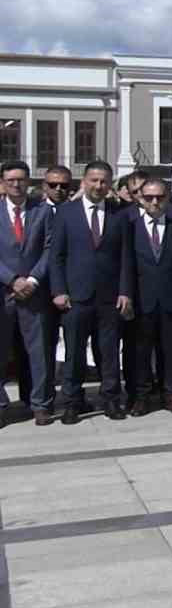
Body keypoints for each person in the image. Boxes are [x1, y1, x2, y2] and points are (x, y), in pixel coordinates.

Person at [48, 160, 133, 423]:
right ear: (84, 181)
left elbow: (126, 257)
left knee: (108, 352)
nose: (99, 186)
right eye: (94, 180)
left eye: (104, 181)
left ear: (109, 184)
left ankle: (110, 399)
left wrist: (125, 291)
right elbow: (56, 256)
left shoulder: (119, 214)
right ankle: (72, 402)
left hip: (109, 298)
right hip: (75, 297)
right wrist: (58, 291)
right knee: (74, 353)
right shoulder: (66, 213)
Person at [128, 178, 172, 416]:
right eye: (148, 197)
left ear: (167, 198)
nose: (154, 202)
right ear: (139, 198)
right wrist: (127, 296)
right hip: (141, 300)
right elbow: (126, 265)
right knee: (141, 352)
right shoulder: (130, 224)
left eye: (159, 197)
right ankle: (142, 396)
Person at [2, 160, 56, 426]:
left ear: (29, 182)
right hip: (4, 291)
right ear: (2, 183)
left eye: (21, 179)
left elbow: (50, 248)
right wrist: (12, 280)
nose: (16, 184)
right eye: (11, 179)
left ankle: (41, 404)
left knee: (39, 352)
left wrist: (32, 280)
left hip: (34, 293)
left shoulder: (43, 211)